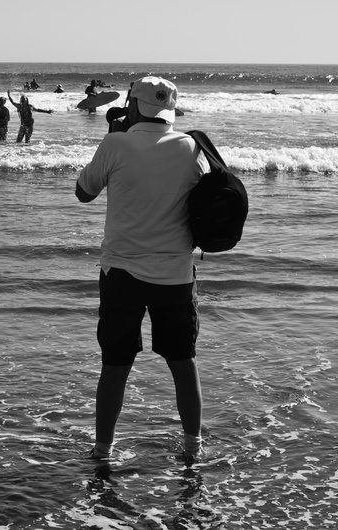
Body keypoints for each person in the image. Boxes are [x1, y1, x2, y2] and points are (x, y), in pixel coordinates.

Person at [75, 76, 210, 462]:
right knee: (183, 364)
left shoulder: (116, 143)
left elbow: (83, 192)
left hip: (122, 274)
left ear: (133, 105)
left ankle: (102, 451)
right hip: (176, 275)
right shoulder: (190, 146)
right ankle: (192, 448)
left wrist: (117, 136)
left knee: (115, 366)